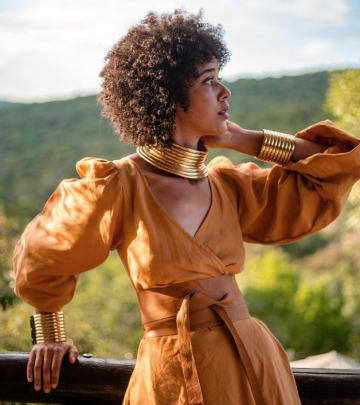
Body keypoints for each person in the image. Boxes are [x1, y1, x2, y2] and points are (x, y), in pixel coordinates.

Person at [13, 8, 360, 405]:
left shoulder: (229, 185)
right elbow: (42, 255)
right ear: (167, 96)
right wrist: (49, 336)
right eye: (208, 80)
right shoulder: (116, 187)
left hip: (255, 368)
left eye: (219, 77)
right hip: (171, 378)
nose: (225, 91)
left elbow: (335, 166)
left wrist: (243, 139)